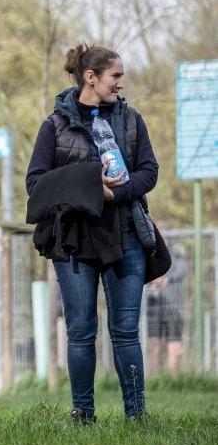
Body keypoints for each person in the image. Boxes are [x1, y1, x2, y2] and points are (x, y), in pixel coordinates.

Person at [26, 44, 158, 423]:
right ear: (91, 78)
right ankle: (82, 415)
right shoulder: (54, 126)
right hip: (73, 241)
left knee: (126, 332)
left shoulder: (132, 121)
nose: (120, 83)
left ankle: (137, 415)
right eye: (115, 76)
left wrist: (116, 192)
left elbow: (149, 171)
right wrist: (89, 186)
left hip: (126, 236)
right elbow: (36, 184)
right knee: (81, 331)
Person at [146, 222, 188, 374]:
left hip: (173, 306)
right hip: (153, 306)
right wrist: (153, 279)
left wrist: (166, 278)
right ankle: (153, 381)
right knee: (153, 345)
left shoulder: (177, 251)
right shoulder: (148, 253)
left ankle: (172, 381)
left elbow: (182, 270)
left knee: (174, 345)